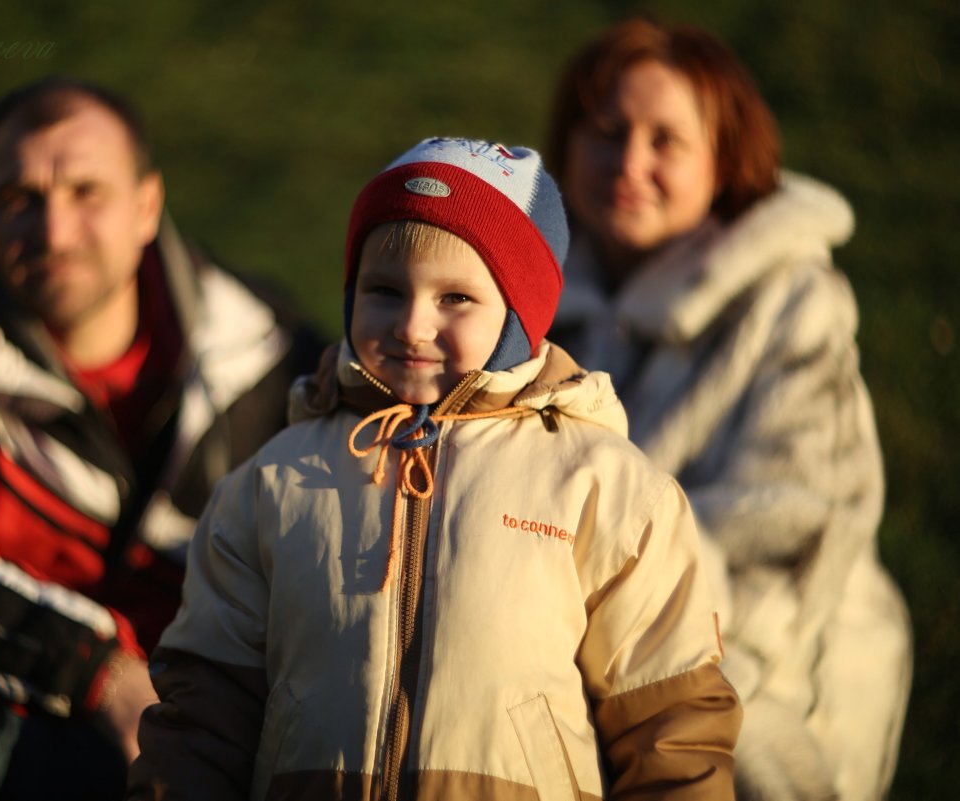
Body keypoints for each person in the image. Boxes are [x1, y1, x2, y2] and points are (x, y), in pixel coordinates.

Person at [127, 137, 741, 800]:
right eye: (384, 291)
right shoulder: (273, 481)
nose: (413, 325)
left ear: (520, 313)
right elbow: (203, 709)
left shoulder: (602, 484)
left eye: (455, 298)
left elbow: (670, 723)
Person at [0, 76, 321, 800]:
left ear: (147, 205)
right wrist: (98, 672)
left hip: (210, 688)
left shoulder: (261, 344)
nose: (53, 233)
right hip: (5, 683)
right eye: (19, 198)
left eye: (86, 193)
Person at [543, 17, 912, 801]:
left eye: (665, 140)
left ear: (723, 161)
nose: (629, 163)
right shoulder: (521, 299)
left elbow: (788, 541)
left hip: (767, 680)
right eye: (607, 131)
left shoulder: (792, 302)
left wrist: (611, 673)